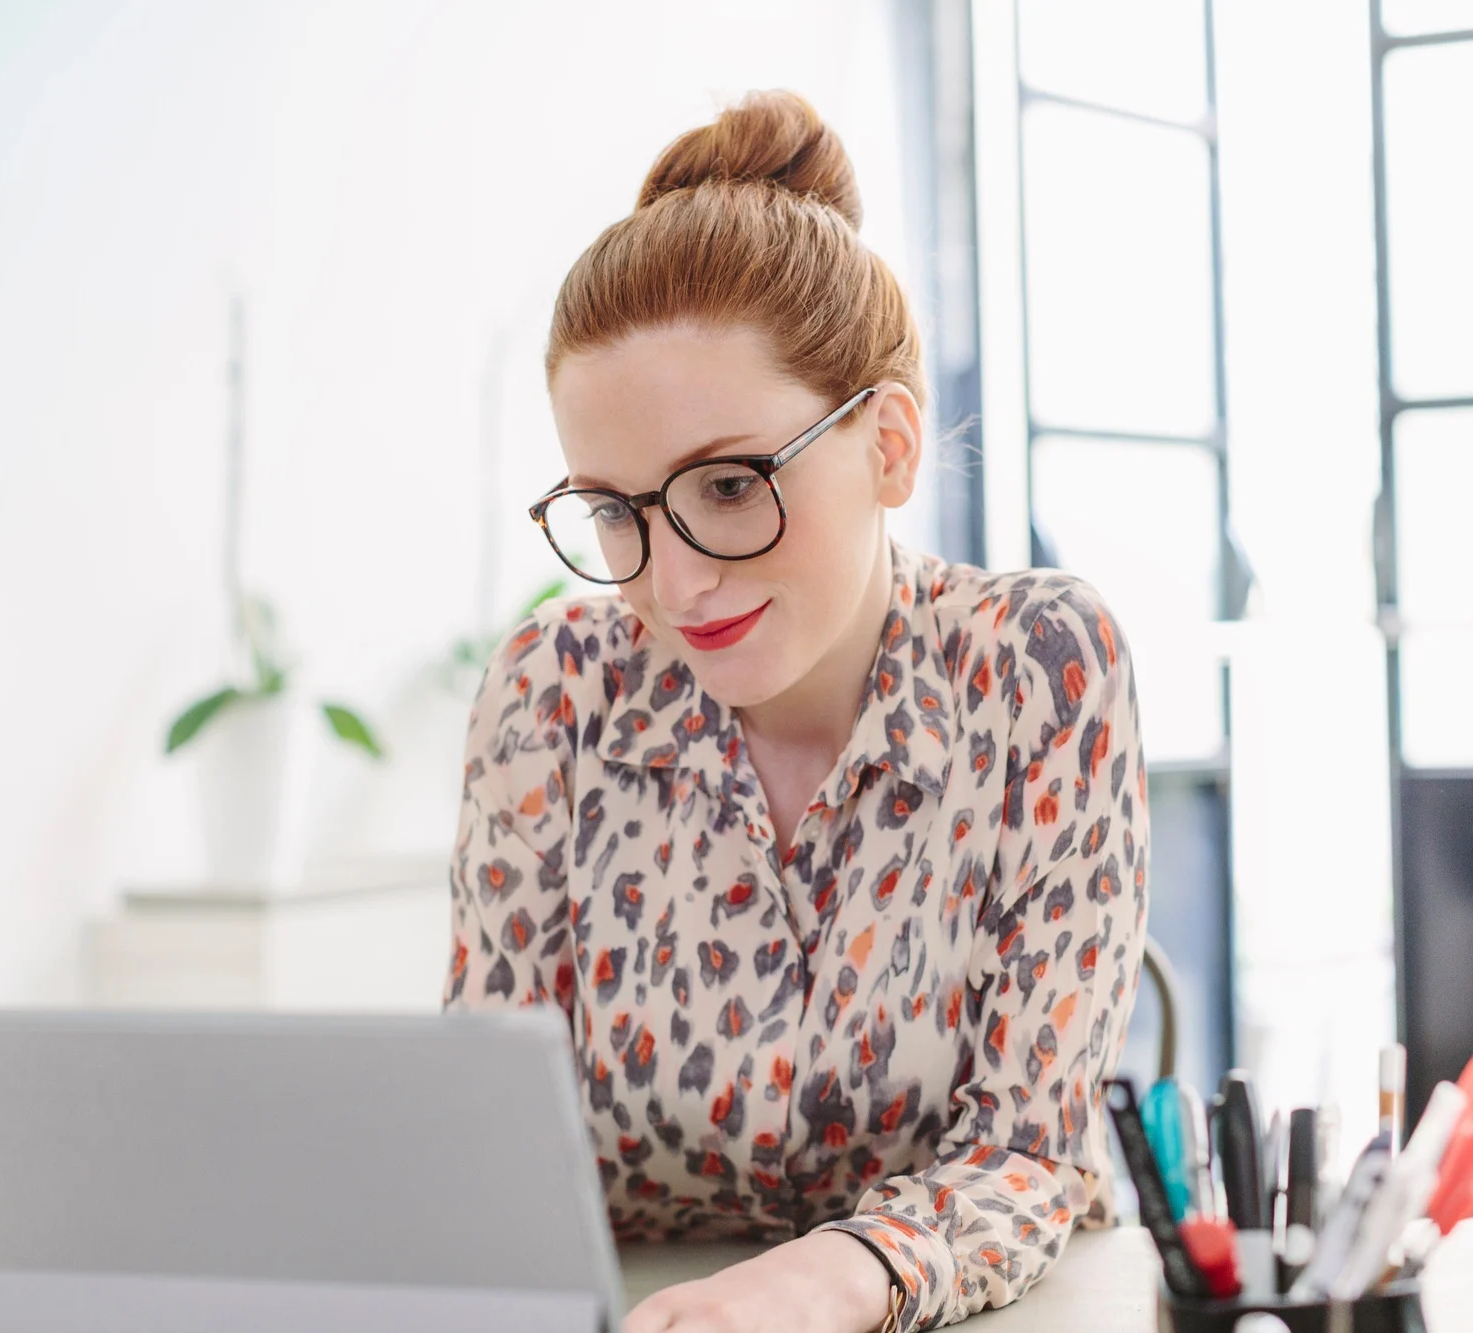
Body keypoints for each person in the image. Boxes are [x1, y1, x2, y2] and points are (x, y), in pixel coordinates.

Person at [443, 89, 1149, 1333]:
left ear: (887, 445)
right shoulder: (553, 688)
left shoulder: (1037, 666)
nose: (673, 583)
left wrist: (834, 1274)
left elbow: (1028, 1150)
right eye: (615, 511)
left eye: (727, 484)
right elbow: (490, 1142)